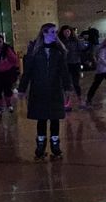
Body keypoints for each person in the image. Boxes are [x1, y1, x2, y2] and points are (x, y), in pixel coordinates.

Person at [17, 23, 72, 160]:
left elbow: (64, 72)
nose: (55, 34)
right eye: (52, 32)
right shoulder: (34, 52)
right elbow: (27, 72)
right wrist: (22, 89)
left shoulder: (58, 52)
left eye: (55, 32)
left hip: (54, 90)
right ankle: (40, 146)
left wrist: (67, 88)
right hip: (39, 91)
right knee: (41, 119)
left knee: (55, 119)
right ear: (44, 33)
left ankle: (55, 146)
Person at [86, 37, 106, 105]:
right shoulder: (102, 50)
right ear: (105, 43)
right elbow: (101, 60)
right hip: (101, 71)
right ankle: (89, 98)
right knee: (95, 85)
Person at [58, 25, 84, 110]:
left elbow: (81, 50)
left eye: (68, 31)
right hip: (65, 64)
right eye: (65, 31)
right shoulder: (60, 41)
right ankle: (67, 102)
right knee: (67, 84)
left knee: (76, 83)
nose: (67, 33)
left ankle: (80, 100)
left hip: (75, 63)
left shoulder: (75, 41)